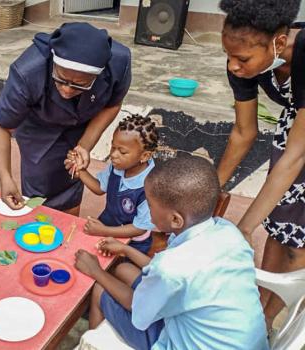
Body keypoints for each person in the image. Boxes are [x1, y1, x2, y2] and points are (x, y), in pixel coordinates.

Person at [74, 156, 268, 350]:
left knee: (100, 289)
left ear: (176, 220)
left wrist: (96, 271)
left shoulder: (170, 268)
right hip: (233, 337)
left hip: (183, 343)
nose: (148, 213)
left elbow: (137, 310)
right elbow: (166, 273)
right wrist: (125, 248)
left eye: (150, 205)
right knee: (123, 268)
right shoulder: (227, 232)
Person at [217, 0, 305, 331]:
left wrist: (242, 227)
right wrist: (210, 190)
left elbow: (297, 155)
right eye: (228, 55)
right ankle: (258, 306)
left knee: (299, 242)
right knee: (279, 224)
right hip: (297, 124)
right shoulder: (242, 59)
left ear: (278, 44)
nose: (233, 66)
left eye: (242, 59)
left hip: (301, 134)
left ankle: (271, 320)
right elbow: (244, 132)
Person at [0, 22, 132, 216]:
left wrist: (85, 145)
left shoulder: (118, 63)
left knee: (73, 173)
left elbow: (112, 104)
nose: (66, 90)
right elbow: (0, 126)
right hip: (39, 129)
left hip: (81, 123)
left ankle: (67, 232)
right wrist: (5, 177)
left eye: (79, 85)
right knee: (40, 184)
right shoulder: (28, 72)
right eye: (61, 78)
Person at [70, 115, 157, 254]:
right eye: (112, 147)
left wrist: (103, 231)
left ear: (145, 156)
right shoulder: (118, 166)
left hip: (132, 242)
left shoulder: (151, 186)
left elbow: (139, 228)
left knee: (116, 268)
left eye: (122, 151)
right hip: (106, 226)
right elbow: (100, 188)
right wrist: (80, 171)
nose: (113, 155)